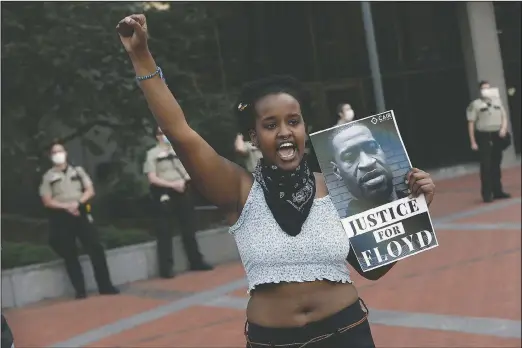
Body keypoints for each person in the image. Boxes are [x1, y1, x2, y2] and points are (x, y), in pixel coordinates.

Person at [116, 14, 436, 347]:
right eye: (271, 125)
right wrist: (141, 57)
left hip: (347, 334)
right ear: (254, 136)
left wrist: (412, 209)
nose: (284, 131)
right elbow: (180, 134)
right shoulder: (238, 190)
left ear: (305, 129)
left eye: (293, 121)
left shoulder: (339, 183)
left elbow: (371, 270)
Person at [39, 142, 119, 299]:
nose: (58, 154)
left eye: (60, 151)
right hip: (61, 216)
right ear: (50, 156)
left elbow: (90, 190)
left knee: (95, 247)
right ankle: (80, 290)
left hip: (80, 211)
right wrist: (66, 206)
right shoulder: (48, 177)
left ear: (66, 153)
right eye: (55, 152)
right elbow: (47, 200)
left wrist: (78, 203)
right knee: (70, 253)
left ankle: (105, 285)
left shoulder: (78, 171)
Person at [144, 127, 213, 278]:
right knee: (164, 231)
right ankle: (166, 268)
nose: (166, 136)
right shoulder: (152, 154)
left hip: (183, 189)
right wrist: (172, 185)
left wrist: (183, 181)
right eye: (162, 133)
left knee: (189, 227)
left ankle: (196, 261)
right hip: (164, 192)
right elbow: (152, 177)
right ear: (157, 136)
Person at [329, 123, 408, 217]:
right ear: (337, 172)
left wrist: (425, 200)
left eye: (372, 148)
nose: (367, 163)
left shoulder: (418, 199)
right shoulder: (341, 229)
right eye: (350, 157)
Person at [467, 80, 511, 203]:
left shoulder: (497, 102)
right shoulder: (475, 105)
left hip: (497, 135)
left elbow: (504, 116)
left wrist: (503, 128)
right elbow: (471, 123)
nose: (487, 91)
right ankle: (487, 194)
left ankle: (498, 191)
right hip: (484, 136)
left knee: (496, 164)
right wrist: (473, 142)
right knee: (486, 166)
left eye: (488, 88)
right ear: (480, 91)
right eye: (484, 89)